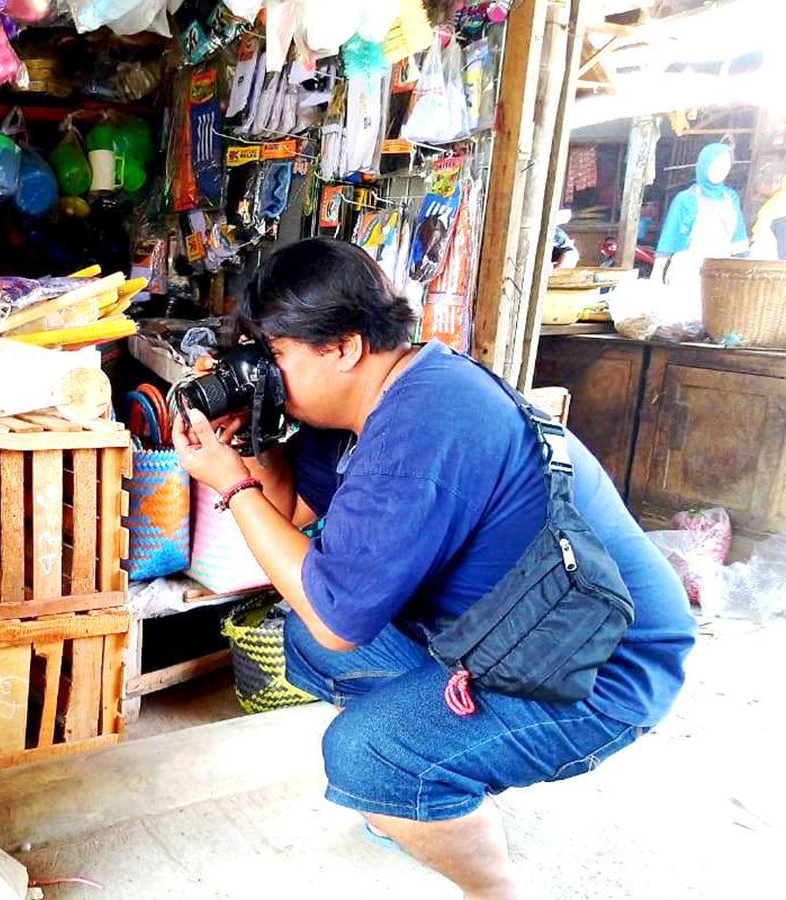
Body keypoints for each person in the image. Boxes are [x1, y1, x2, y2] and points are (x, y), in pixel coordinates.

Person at [171, 238, 695, 900]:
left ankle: (488, 879)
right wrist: (248, 441)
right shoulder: (381, 390)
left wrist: (231, 487)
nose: (265, 374)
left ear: (344, 347)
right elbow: (294, 513)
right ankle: (426, 785)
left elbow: (335, 614)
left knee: (364, 751)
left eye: (274, 357)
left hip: (598, 665)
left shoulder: (423, 425)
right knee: (301, 637)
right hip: (510, 628)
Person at [652, 143, 748, 292]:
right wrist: (656, 275)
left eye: (726, 164)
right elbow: (669, 237)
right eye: (716, 163)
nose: (721, 169)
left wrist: (745, 271)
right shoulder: (685, 199)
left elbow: (738, 237)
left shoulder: (731, 198)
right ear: (704, 164)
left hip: (721, 271)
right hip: (687, 271)